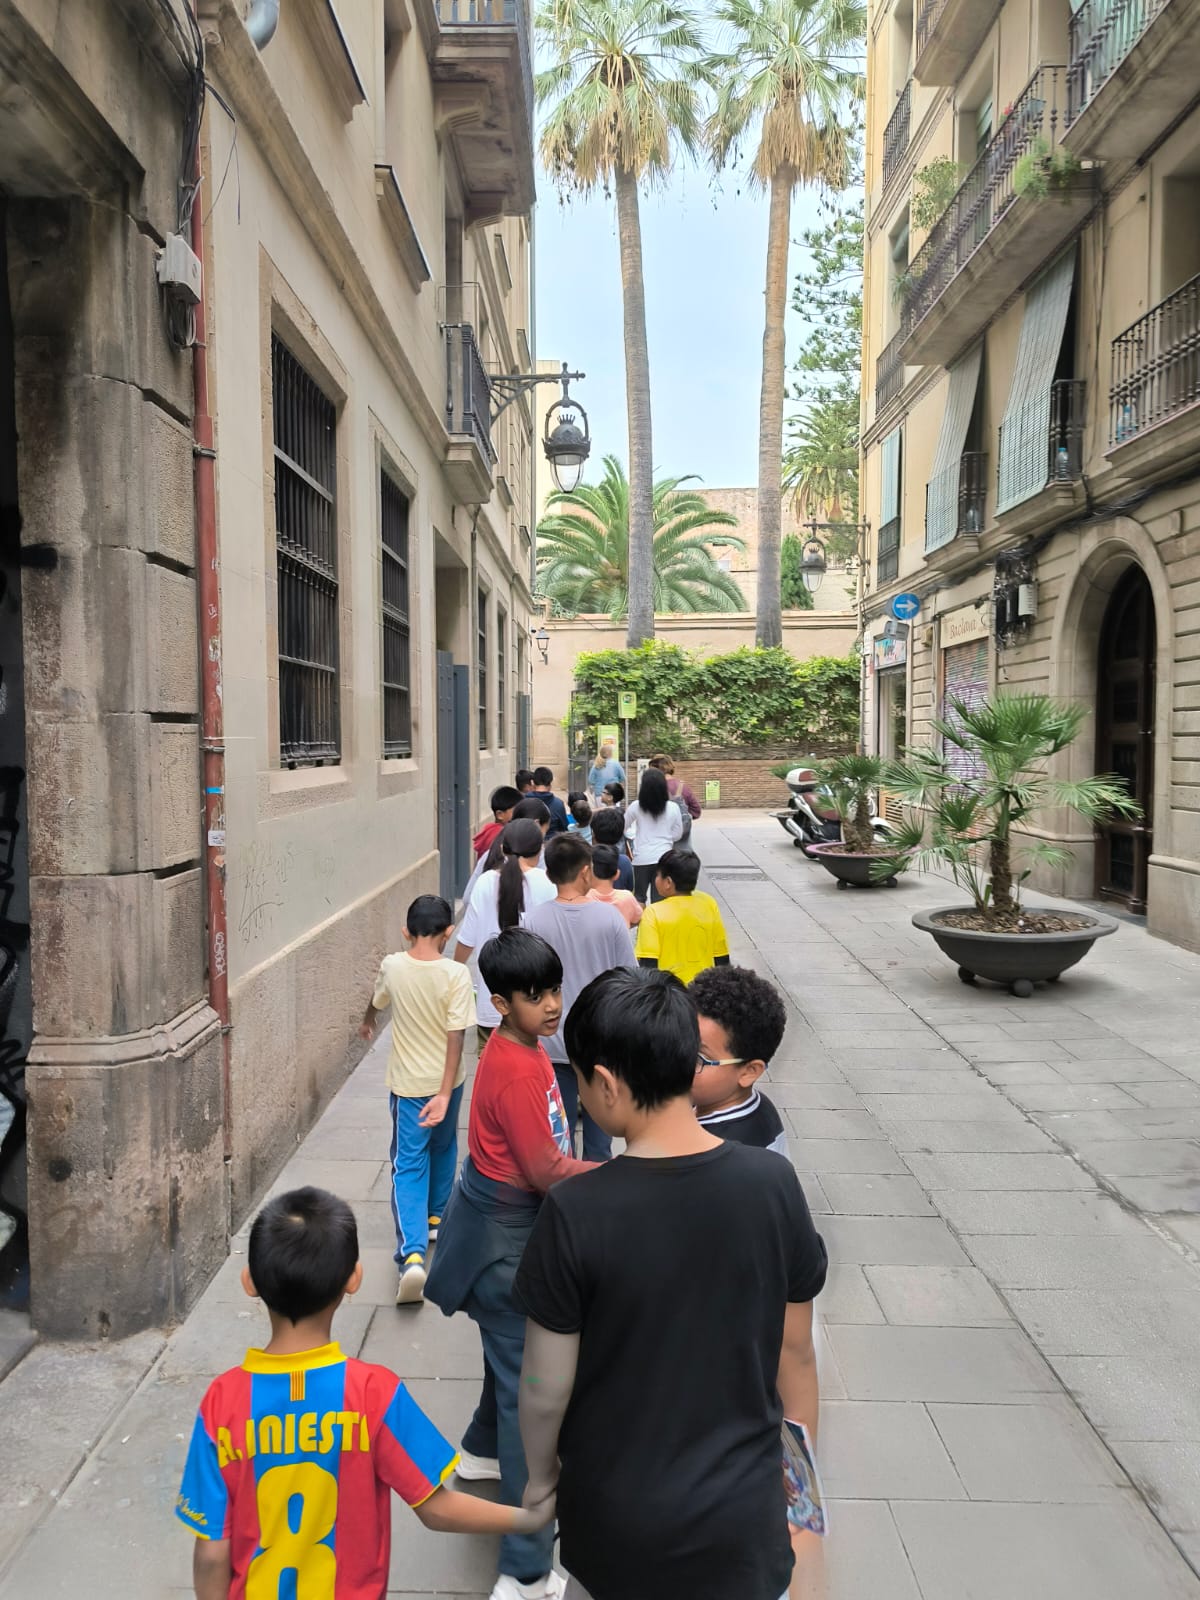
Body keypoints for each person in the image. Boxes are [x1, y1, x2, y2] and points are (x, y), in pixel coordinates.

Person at [513, 968, 826, 1600]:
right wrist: (800, 1493)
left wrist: (541, 1480)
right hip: (743, 1519)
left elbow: (545, 1387)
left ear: (605, 1083)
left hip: (618, 1521)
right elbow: (795, 1355)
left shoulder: (575, 1210)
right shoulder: (772, 1185)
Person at [177, 1187, 551, 1600]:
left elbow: (211, 1552)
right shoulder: (374, 1394)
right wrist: (529, 1519)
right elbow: (435, 1508)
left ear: (249, 1282)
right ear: (354, 1278)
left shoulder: (222, 1403)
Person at [426, 929, 594, 1600]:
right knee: (532, 1400)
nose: (552, 1005)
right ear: (500, 1004)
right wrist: (620, 1176)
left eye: (555, 990)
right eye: (535, 996)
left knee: (510, 1364)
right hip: (505, 1246)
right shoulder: (519, 1067)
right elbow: (546, 1168)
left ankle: (478, 1452)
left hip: (499, 1230)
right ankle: (524, 1570)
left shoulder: (520, 1048)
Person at [359, 895, 476, 1305]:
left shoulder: (393, 966)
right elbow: (456, 1035)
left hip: (409, 1087)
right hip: (449, 1082)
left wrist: (368, 1020)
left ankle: (411, 1256)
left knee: (408, 1164)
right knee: (443, 1147)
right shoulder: (456, 975)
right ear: (449, 932)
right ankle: (436, 1218)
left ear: (406, 931)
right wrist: (444, 1093)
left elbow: (377, 1001)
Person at [526, 834, 637, 1163]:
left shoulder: (533, 920)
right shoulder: (610, 918)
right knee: (600, 1140)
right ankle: (596, 1186)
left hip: (551, 1041)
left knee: (558, 1137)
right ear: (586, 871)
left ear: (550, 874)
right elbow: (628, 979)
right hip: (600, 1041)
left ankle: (565, 1186)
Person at [455, 819, 556, 1045]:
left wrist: (453, 973)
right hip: (536, 1004)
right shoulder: (547, 883)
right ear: (539, 851)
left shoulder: (485, 882)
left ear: (502, 848)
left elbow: (466, 940)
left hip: (492, 1002)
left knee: (491, 1063)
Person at [689, 965, 789, 1157]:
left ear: (749, 1072)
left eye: (699, 1058)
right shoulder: (755, 1105)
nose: (677, 1059)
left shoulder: (708, 1153)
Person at [635, 847, 729, 984]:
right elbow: (721, 956)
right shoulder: (708, 903)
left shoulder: (653, 913)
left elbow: (648, 965)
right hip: (703, 989)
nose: (656, 879)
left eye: (658, 875)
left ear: (668, 882)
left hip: (671, 992)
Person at [623, 767, 683, 904]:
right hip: (664, 858)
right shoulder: (673, 807)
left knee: (639, 897)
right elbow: (678, 834)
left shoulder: (636, 806)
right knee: (660, 900)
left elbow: (622, 827)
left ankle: (642, 919)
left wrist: (633, 835)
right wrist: (666, 837)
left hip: (641, 858)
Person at [648, 754, 701, 853]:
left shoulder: (653, 787)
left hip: (660, 840)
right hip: (682, 838)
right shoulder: (683, 786)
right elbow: (696, 811)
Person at [586, 843, 642, 930]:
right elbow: (637, 919)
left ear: (588, 873)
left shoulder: (584, 899)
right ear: (617, 874)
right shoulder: (627, 897)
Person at [590, 808, 634, 892]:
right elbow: (629, 888)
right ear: (620, 835)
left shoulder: (585, 861)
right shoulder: (625, 862)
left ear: (594, 834)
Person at [475, 785, 523, 863]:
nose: (521, 814)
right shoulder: (501, 835)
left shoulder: (490, 831)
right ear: (500, 814)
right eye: (516, 811)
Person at [531, 768, 570, 835]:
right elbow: (564, 828)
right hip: (552, 840)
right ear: (550, 783)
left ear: (533, 783)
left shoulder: (522, 802)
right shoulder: (558, 804)